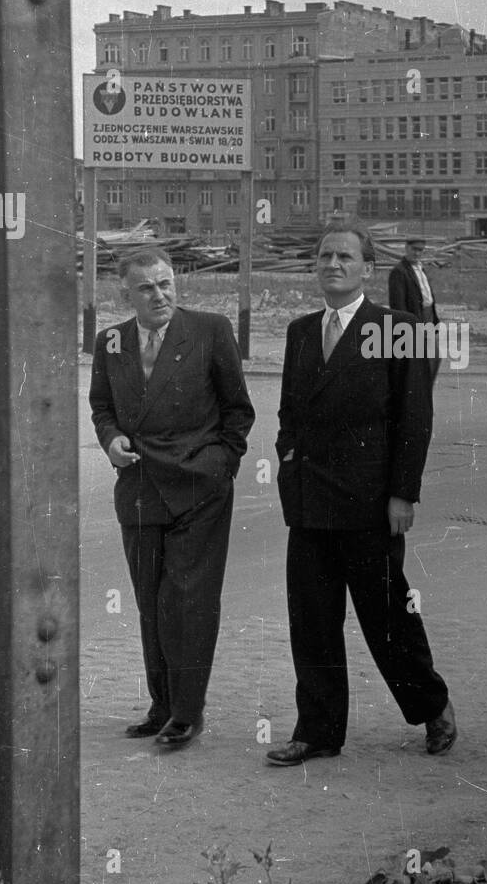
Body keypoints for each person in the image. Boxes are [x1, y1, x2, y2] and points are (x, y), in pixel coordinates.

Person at [266, 222, 455, 766]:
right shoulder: (301, 331)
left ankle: (432, 705)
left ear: (368, 269)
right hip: (309, 502)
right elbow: (289, 413)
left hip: (370, 502)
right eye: (324, 255)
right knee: (312, 619)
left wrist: (402, 495)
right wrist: (287, 459)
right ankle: (318, 731)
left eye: (345, 257)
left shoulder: (397, 327)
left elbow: (415, 418)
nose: (332, 264)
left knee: (387, 616)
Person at [89, 249, 255, 748]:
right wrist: (110, 438)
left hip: (198, 487)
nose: (159, 295)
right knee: (150, 601)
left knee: (189, 601)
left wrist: (220, 465)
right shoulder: (110, 341)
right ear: (125, 294)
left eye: (165, 284)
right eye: (146, 288)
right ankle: (160, 705)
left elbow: (238, 411)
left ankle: (187, 712)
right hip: (139, 487)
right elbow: (102, 407)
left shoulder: (209, 330)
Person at [388, 237, 441, 383]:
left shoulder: (421, 269)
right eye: (414, 249)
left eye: (420, 250)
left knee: (434, 357)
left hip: (428, 318)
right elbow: (397, 305)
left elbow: (427, 297)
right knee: (417, 364)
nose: (417, 253)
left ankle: (424, 397)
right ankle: (418, 398)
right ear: (406, 248)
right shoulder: (399, 272)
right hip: (413, 322)